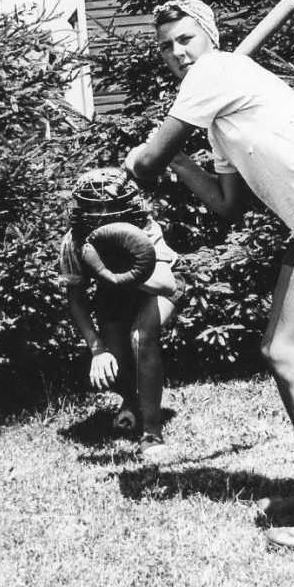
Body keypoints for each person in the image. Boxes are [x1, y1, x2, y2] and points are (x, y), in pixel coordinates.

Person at [124, 0, 294, 549]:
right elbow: (228, 206)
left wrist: (144, 160)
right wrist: (181, 162)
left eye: (186, 39)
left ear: (210, 37)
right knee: (279, 350)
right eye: (166, 46)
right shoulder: (219, 121)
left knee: (292, 355)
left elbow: (146, 163)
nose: (177, 53)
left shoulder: (218, 71)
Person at [60, 168, 183, 460]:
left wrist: (112, 270)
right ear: (84, 207)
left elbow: (165, 284)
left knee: (141, 336)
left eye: (110, 205)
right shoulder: (74, 240)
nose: (104, 212)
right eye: (96, 205)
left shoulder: (145, 226)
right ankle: (130, 401)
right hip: (114, 294)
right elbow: (75, 297)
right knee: (115, 357)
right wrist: (97, 348)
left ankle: (152, 433)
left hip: (156, 287)